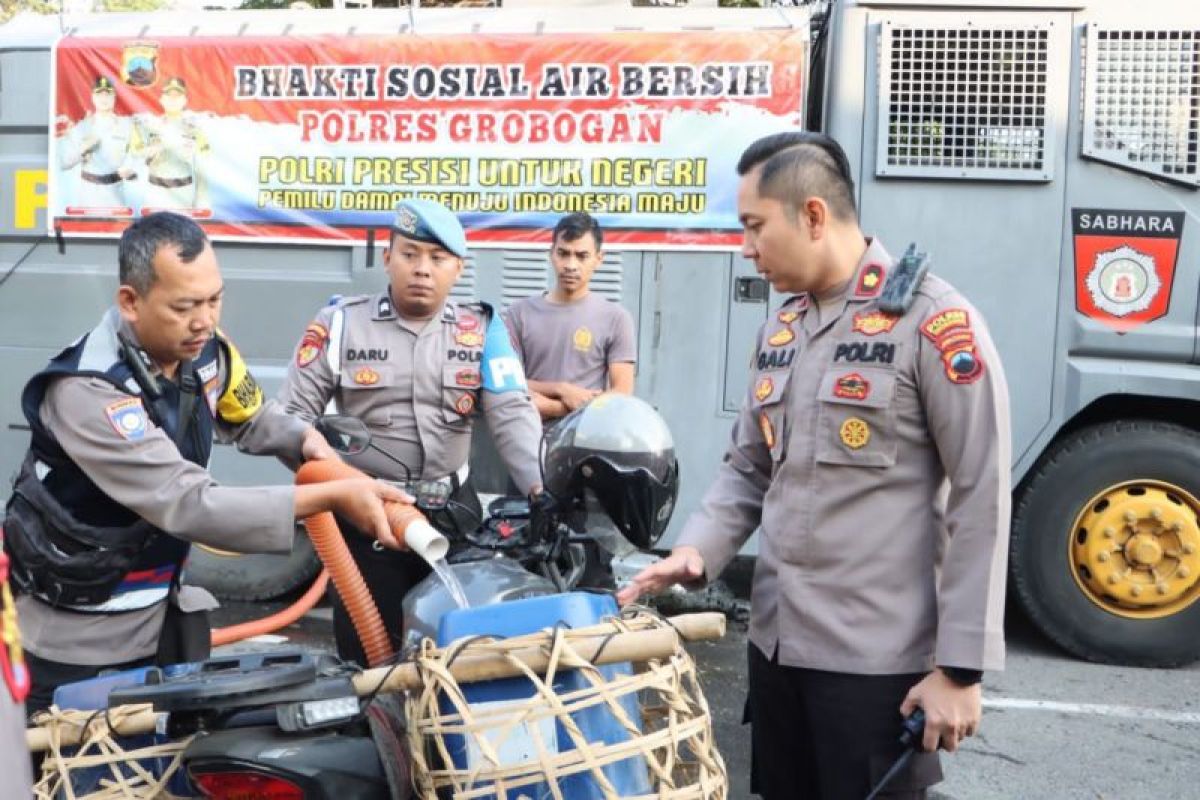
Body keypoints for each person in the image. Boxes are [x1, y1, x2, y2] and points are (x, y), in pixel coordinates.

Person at [617, 132, 1011, 800]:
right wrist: (695, 552)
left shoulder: (933, 323)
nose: (746, 249)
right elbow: (749, 464)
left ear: (814, 216)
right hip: (777, 651)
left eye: (753, 227)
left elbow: (983, 494)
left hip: (874, 667)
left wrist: (960, 671)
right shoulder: (783, 332)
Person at [2, 211, 408, 715]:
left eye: (214, 299)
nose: (205, 320)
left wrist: (308, 444)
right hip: (76, 642)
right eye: (184, 306)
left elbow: (252, 415)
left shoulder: (205, 354)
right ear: (130, 301)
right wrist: (332, 495)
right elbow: (188, 503)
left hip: (160, 621)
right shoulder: (88, 392)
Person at [279, 198, 543, 666]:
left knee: (458, 658)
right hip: (366, 522)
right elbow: (292, 418)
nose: (423, 269)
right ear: (387, 257)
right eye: (410, 254)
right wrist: (340, 485)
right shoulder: (340, 324)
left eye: (437, 258)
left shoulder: (481, 329)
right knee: (367, 663)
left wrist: (541, 489)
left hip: (453, 520)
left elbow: (512, 413)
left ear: (458, 268)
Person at [503, 212, 636, 422]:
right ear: (552, 254)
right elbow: (506, 381)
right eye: (563, 253)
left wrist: (551, 406)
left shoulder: (616, 319)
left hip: (587, 440)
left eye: (582, 256)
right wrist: (562, 389)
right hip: (528, 437)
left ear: (598, 260)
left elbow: (621, 393)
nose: (570, 265)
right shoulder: (518, 314)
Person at [57, 76, 137, 212]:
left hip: (116, 194)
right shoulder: (82, 127)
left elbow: (137, 159)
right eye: (99, 94)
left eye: (108, 94)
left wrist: (131, 170)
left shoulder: (127, 126)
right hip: (89, 194)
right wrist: (83, 148)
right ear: (93, 97)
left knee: (118, 231)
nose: (104, 99)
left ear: (114, 98)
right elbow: (64, 162)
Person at [137, 77, 209, 213]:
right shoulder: (149, 126)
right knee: (154, 231)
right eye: (168, 95)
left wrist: (201, 201)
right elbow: (135, 158)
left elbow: (203, 168)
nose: (173, 99)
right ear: (161, 99)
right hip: (156, 191)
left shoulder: (195, 128)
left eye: (177, 96)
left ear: (185, 100)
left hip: (183, 192)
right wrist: (149, 152)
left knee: (181, 232)